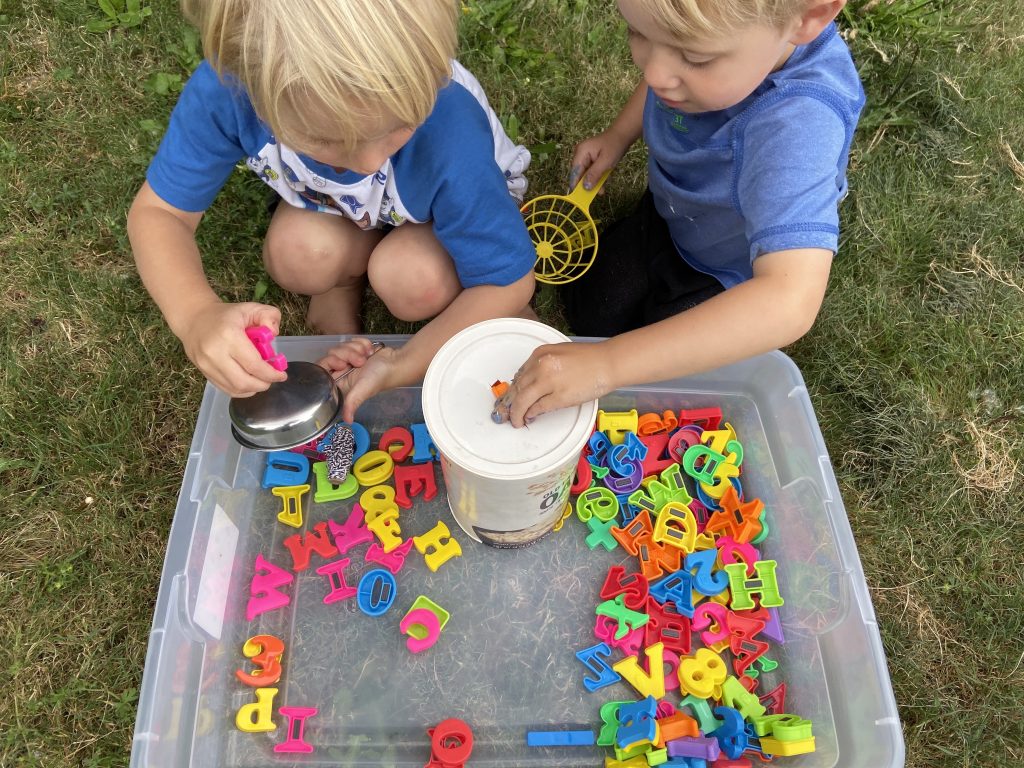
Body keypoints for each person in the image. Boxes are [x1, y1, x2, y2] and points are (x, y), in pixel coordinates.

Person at [127, 0, 536, 422]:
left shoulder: (450, 133)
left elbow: (507, 283)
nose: (369, 163)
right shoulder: (229, 91)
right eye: (326, 141)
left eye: (399, 127)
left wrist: (404, 361)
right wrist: (195, 314)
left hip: (442, 210)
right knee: (297, 255)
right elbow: (159, 214)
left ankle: (417, 268)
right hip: (344, 208)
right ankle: (338, 284)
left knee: (416, 281)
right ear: (254, 95)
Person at [494, 0, 864, 426]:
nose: (653, 74)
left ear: (808, 18)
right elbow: (662, 72)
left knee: (663, 391)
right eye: (639, 34)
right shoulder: (706, 55)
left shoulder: (799, 125)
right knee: (594, 312)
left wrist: (607, 366)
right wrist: (618, 136)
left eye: (695, 57)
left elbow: (789, 298)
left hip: (725, 272)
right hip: (669, 215)